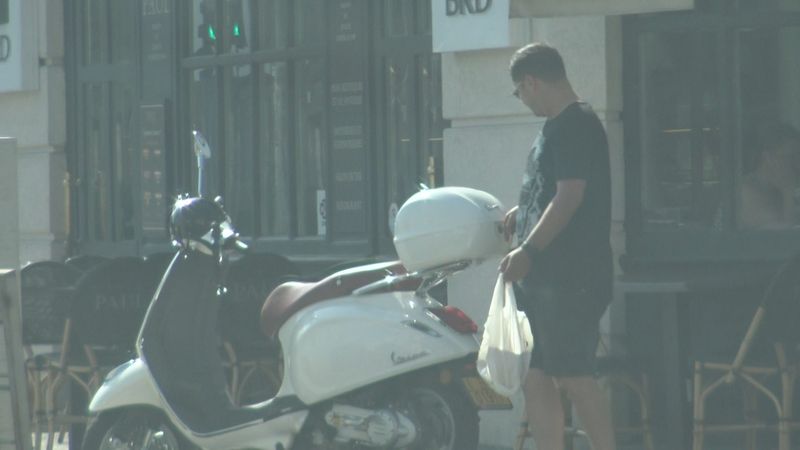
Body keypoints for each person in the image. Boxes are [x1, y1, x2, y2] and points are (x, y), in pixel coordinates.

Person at [499, 43, 615, 450]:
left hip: (572, 278)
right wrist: (525, 208)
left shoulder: (576, 124)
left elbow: (570, 196)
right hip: (543, 280)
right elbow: (556, 189)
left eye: (519, 91)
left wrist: (528, 251)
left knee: (574, 375)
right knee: (535, 377)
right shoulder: (555, 126)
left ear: (531, 81)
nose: (522, 99)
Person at [738, 123, 800, 229]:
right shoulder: (744, 192)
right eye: (791, 157)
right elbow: (785, 234)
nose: (797, 164)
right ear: (768, 158)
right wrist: (788, 190)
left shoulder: (777, 189)